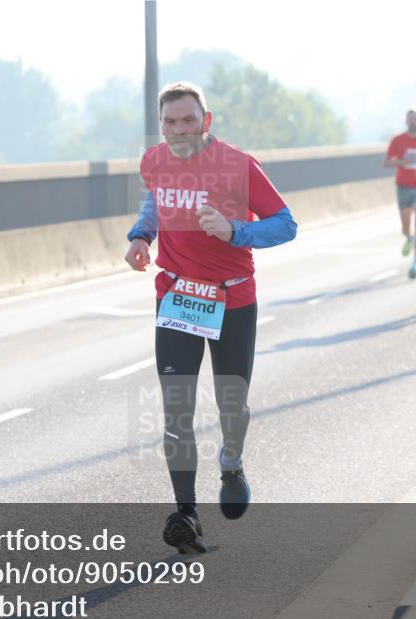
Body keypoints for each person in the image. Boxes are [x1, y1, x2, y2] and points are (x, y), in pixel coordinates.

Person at [124, 82, 297, 554]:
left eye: (188, 120)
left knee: (231, 406)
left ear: (207, 120)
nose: (179, 130)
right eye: (170, 122)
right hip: (177, 296)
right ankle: (187, 514)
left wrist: (235, 230)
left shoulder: (238, 165)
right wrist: (140, 237)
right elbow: (155, 202)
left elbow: (286, 224)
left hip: (232, 298)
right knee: (176, 409)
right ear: (161, 125)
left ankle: (232, 462)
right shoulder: (153, 161)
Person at [384, 108, 416, 279]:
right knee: (406, 226)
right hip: (403, 186)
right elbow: (386, 163)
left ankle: (415, 262)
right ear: (406, 121)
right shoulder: (398, 140)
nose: (413, 121)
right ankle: (409, 238)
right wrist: (404, 161)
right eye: (410, 119)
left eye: (415, 118)